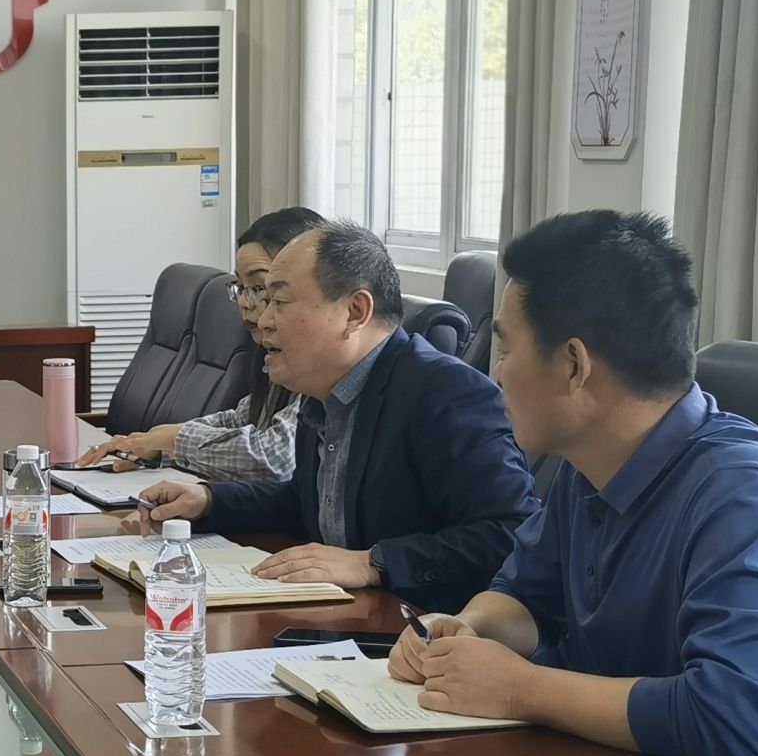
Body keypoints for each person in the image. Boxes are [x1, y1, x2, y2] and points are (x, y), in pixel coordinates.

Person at [389, 211, 758, 756]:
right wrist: (466, 629)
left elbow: (731, 718)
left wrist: (518, 688)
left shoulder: (747, 495)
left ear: (574, 365)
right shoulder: (589, 462)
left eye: (507, 349)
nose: (495, 372)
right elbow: (528, 595)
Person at [136, 221, 537, 614]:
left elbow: (508, 532)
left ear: (354, 311)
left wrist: (373, 563)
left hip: (419, 631)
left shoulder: (446, 393)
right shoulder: (325, 390)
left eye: (280, 301)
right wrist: (209, 500)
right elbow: (308, 502)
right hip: (343, 615)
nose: (264, 319)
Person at [76, 206, 324, 481]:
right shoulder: (274, 354)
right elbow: (241, 420)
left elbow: (276, 458)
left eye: (259, 288)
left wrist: (177, 441)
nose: (244, 302)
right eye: (241, 287)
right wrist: (157, 444)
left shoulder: (323, 366)